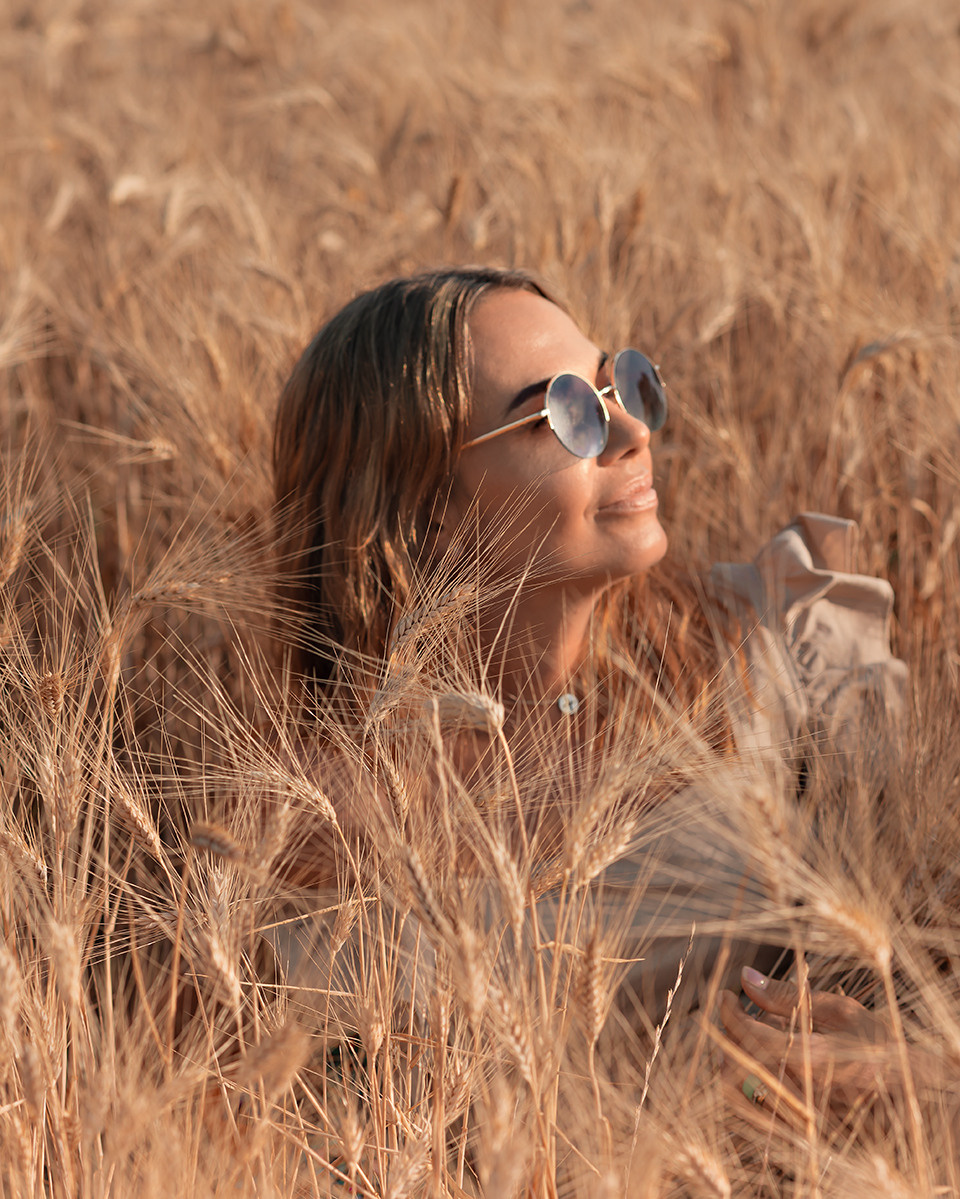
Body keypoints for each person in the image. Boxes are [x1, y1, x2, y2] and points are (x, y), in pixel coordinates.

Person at [270, 266, 909, 1106]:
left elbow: (932, 927)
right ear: (423, 504)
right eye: (566, 412)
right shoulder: (309, 823)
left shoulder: (786, 649)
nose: (633, 429)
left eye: (619, 384)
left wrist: (919, 1074)